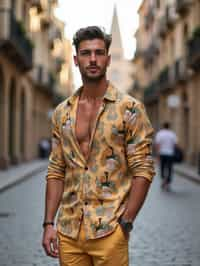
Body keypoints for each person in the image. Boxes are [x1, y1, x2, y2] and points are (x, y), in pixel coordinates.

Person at [42, 26, 155, 266]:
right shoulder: (62, 112)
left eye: (98, 52)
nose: (92, 59)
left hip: (109, 231)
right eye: (85, 53)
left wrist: (125, 224)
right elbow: (56, 170)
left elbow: (143, 169)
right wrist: (49, 223)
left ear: (108, 59)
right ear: (75, 59)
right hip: (69, 231)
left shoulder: (130, 109)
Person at [155, 122, 177, 190]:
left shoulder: (160, 134)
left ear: (163, 126)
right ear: (169, 127)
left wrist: (157, 155)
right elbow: (175, 144)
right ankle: (167, 183)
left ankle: (163, 179)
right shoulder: (172, 134)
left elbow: (158, 145)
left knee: (162, 167)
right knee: (170, 168)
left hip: (162, 153)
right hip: (170, 154)